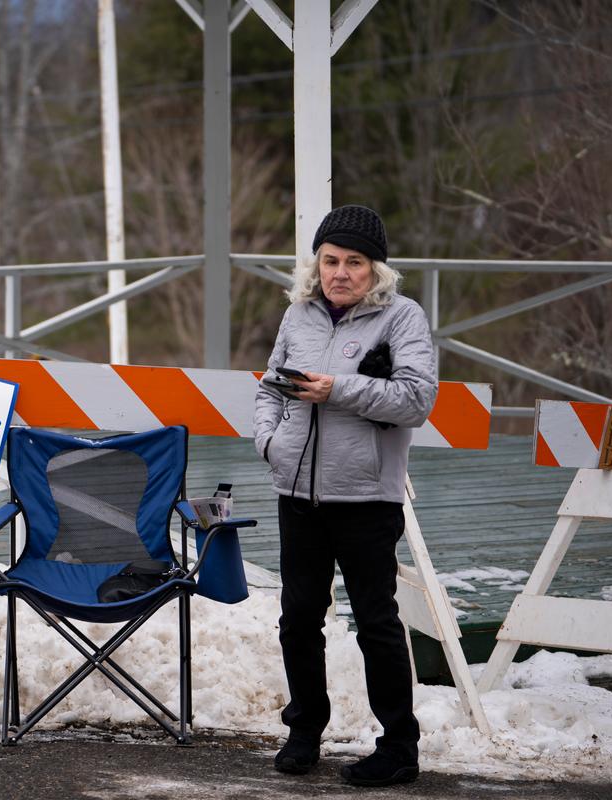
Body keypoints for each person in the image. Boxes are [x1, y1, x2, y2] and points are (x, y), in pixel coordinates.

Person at [253, 205, 438, 787]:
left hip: (366, 499)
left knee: (377, 624)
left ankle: (399, 748)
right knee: (298, 620)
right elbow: (270, 388)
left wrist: (339, 390)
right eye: (330, 260)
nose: (339, 272)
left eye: (353, 262)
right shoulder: (298, 315)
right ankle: (305, 731)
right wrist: (270, 445)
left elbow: (417, 400)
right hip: (298, 492)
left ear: (375, 268)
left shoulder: (403, 317)